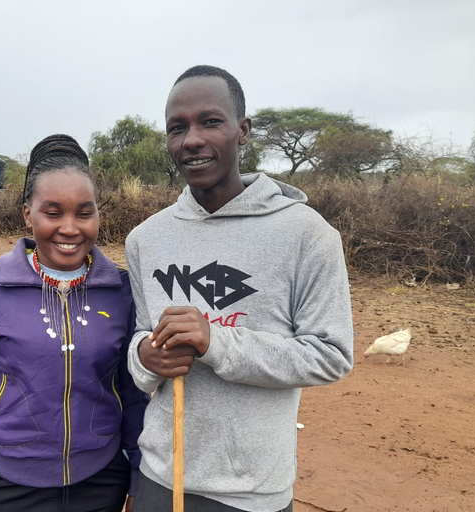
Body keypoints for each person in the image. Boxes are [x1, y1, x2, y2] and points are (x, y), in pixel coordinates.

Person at [125, 65, 354, 512]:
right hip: (158, 477)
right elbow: (139, 339)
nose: (191, 139)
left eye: (210, 121)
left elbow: (331, 354)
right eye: (178, 128)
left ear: (243, 131)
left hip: (252, 492)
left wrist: (217, 342)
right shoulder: (145, 239)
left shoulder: (306, 233)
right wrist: (145, 358)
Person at [0, 134, 149, 512]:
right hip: (5, 487)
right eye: (53, 211)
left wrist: (139, 476)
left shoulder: (122, 291)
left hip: (101, 480)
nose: (70, 228)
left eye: (84, 212)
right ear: (28, 213)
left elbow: (133, 392)